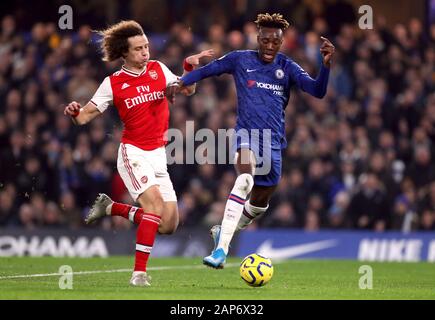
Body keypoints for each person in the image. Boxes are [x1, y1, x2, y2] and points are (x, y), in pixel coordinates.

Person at [167, 13, 335, 268]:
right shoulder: (239, 59)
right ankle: (221, 251)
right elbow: (208, 71)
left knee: (258, 205)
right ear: (258, 38)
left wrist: (325, 65)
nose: (269, 46)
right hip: (246, 135)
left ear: (281, 42)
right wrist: (181, 81)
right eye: (265, 40)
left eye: (275, 42)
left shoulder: (287, 67)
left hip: (274, 143)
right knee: (244, 179)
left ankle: (223, 231)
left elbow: (317, 91)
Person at [63, 20, 213, 286]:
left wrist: (189, 67)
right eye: (138, 49)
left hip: (158, 155)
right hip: (133, 154)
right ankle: (139, 274)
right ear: (124, 53)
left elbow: (189, 90)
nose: (145, 53)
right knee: (154, 207)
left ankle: (111, 207)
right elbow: (84, 117)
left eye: (146, 47)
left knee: (168, 225)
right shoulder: (113, 83)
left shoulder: (158, 69)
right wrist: (75, 112)